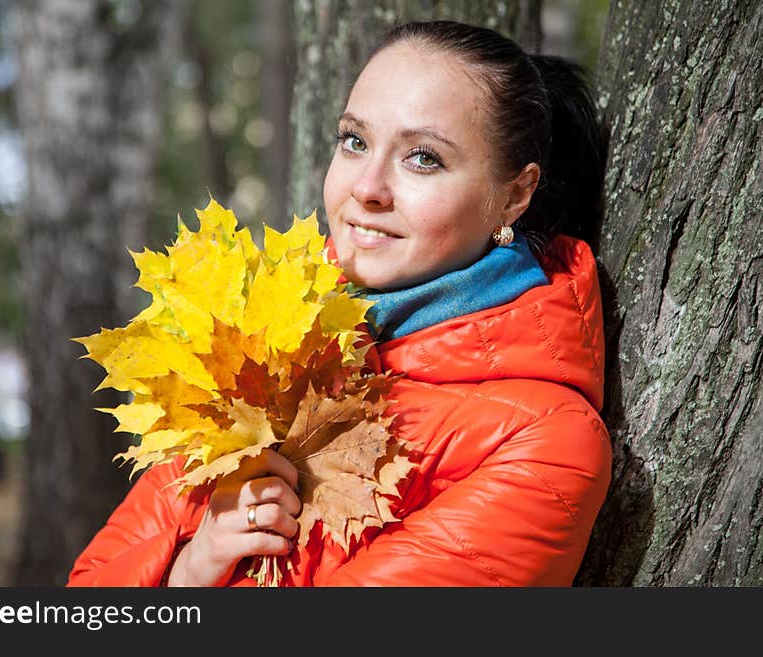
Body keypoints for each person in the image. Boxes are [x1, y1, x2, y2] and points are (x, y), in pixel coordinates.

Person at [67, 20, 611, 587]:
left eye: (423, 158)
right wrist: (190, 568)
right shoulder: (259, 338)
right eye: (355, 141)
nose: (367, 187)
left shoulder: (545, 440)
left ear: (515, 194)